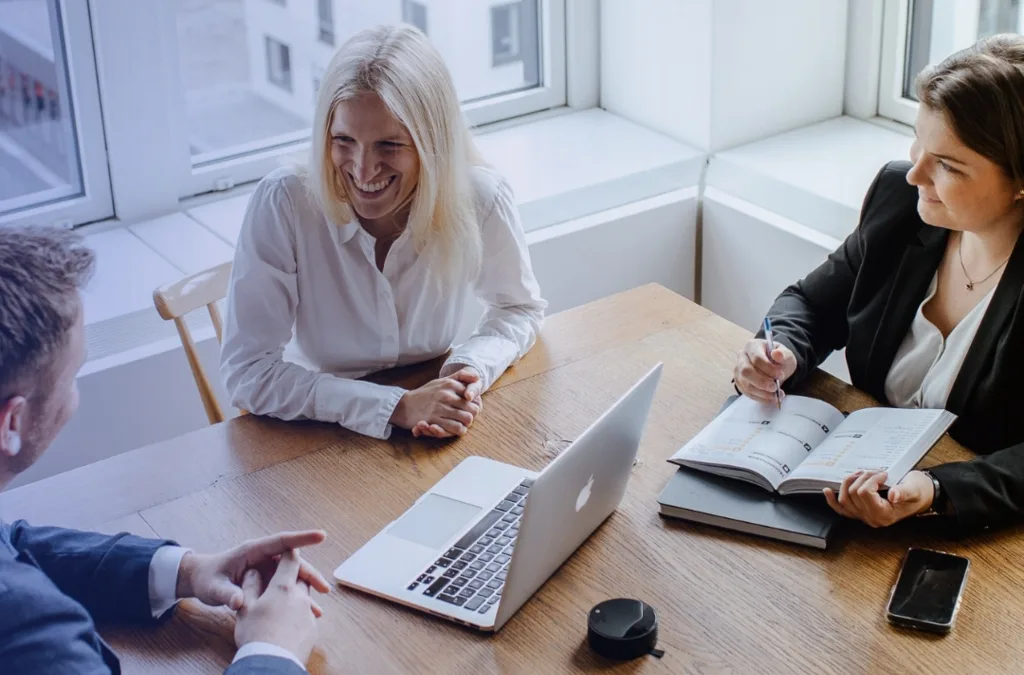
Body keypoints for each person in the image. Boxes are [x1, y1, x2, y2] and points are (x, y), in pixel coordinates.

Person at [0, 227, 330, 674]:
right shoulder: (31, 634)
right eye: (73, 376)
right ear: (12, 423)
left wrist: (187, 571)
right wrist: (272, 651)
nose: (75, 397)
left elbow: (13, 543)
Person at [733, 34, 1024, 534]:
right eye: (918, 143)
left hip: (983, 540)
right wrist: (780, 352)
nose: (915, 174)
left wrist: (939, 491)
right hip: (841, 499)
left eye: (948, 165)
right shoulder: (898, 199)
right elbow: (810, 303)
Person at [220, 25, 546, 441]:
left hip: (431, 415)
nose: (362, 169)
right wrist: (397, 406)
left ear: (433, 145)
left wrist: (470, 370)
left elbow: (518, 308)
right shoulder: (284, 202)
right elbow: (248, 373)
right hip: (314, 433)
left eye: (388, 145)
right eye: (344, 140)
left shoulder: (480, 196)